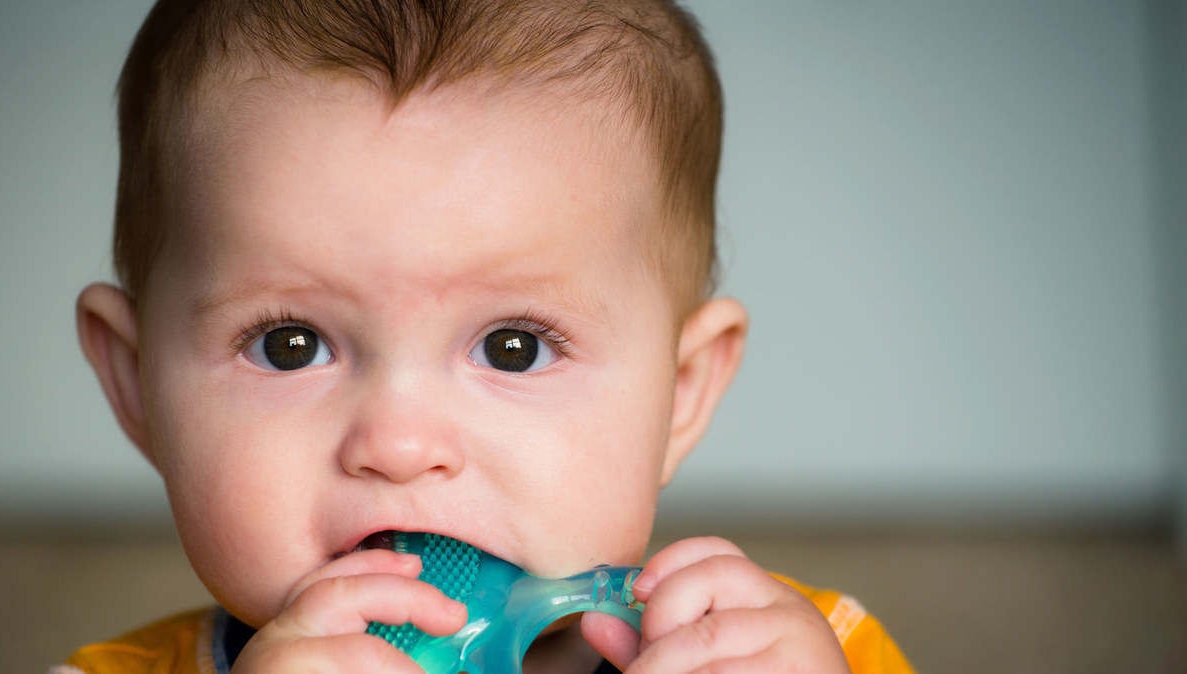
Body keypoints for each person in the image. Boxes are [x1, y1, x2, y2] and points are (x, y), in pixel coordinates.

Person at [63, 1, 913, 672]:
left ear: (680, 391)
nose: (399, 445)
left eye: (515, 347)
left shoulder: (805, 654)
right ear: (138, 384)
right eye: (291, 345)